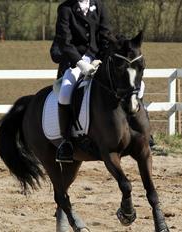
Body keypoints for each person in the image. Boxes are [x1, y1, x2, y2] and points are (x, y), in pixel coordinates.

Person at [51, 0, 111, 163]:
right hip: (75, 60)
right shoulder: (65, 8)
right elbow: (65, 41)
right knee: (64, 93)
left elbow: (105, 35)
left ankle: (142, 133)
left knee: (124, 83)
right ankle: (66, 142)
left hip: (98, 58)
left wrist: (102, 58)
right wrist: (80, 63)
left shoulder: (99, 6)